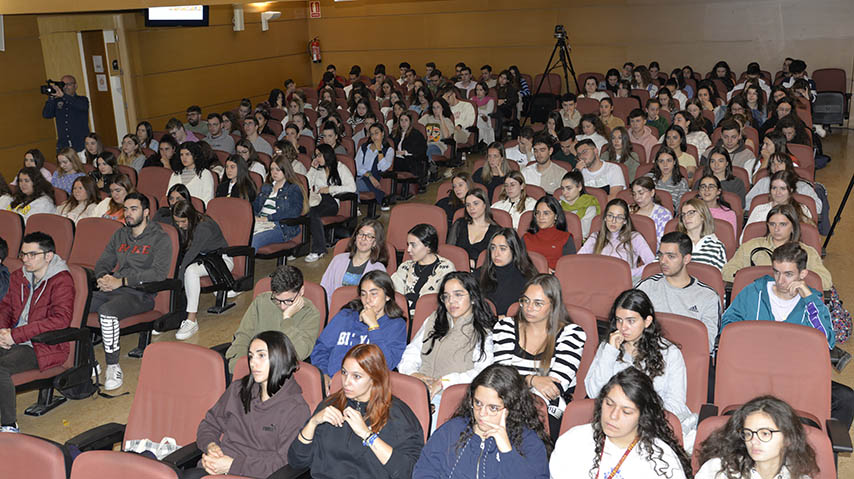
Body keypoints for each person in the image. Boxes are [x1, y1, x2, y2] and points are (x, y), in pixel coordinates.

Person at [721, 243, 854, 431]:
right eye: (776, 272)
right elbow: (728, 325)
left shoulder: (813, 303)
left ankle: (821, 449)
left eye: (788, 274)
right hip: (755, 372)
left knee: (846, 398)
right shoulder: (754, 292)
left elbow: (827, 340)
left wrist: (808, 298)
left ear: (803, 274)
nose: (780, 280)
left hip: (796, 377)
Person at [181, 331, 310, 479]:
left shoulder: (296, 409)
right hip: (217, 468)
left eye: (261, 355)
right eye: (251, 356)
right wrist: (211, 446)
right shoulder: (238, 389)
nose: (253, 363)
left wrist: (232, 465)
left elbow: (284, 462)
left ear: (280, 358)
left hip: (257, 475)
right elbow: (209, 424)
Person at [289, 343, 424, 479]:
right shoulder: (330, 405)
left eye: (356, 376)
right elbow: (296, 461)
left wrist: (367, 435)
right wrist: (312, 423)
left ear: (375, 378)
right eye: (344, 373)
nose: (346, 382)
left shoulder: (398, 415)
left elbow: (408, 472)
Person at [584, 289, 697, 448]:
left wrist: (637, 419)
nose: (623, 327)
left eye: (631, 321)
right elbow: (594, 392)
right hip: (614, 424)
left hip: (655, 427)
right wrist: (610, 353)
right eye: (619, 320)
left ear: (647, 321)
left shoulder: (670, 353)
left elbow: (676, 404)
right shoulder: (609, 348)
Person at [91, 193, 172, 390]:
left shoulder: (160, 238)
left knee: (107, 312)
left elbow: (159, 274)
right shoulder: (120, 234)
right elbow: (104, 260)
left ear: (146, 212)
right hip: (114, 287)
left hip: (140, 293)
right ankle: (88, 362)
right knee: (75, 304)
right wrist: (103, 277)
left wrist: (123, 281)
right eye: (125, 209)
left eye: (133, 209)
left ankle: (112, 365)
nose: (128, 213)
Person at [412, 364, 551, 479]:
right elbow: (425, 471)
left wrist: (507, 451)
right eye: (478, 403)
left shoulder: (529, 442)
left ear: (512, 407)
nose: (482, 414)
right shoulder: (451, 431)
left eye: (493, 408)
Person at [551, 367, 691, 479]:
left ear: (643, 416)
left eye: (626, 411)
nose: (613, 416)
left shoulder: (661, 460)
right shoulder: (573, 441)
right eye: (609, 404)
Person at [398, 272, 495, 426]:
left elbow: (482, 372)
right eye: (446, 296)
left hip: (450, 398)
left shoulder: (483, 331)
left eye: (458, 295)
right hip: (418, 390)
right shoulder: (434, 319)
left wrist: (443, 382)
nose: (451, 301)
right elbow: (412, 352)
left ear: (473, 297)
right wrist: (413, 373)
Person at [0, 233, 74, 433]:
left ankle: (9, 425)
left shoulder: (62, 280)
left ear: (48, 256)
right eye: (23, 254)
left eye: (32, 254)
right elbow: (6, 307)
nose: (26, 259)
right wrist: (3, 330)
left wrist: (16, 336)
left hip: (43, 345)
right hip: (14, 338)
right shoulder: (19, 275)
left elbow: (60, 320)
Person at [493, 275, 586, 431]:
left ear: (553, 305)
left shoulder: (571, 333)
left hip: (549, 408)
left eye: (538, 303)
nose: (529, 308)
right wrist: (532, 380)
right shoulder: (506, 326)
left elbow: (554, 386)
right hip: (505, 402)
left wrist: (518, 380)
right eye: (525, 301)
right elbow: (500, 377)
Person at [311, 271, 407, 382]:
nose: (368, 300)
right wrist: (324, 373)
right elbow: (321, 348)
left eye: (374, 293)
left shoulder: (396, 325)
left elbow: (386, 365)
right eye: (363, 294)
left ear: (387, 296)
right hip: (333, 382)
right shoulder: (346, 315)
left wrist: (373, 326)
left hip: (367, 388)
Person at [694, 395, 819, 479]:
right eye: (748, 433)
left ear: (788, 438)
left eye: (765, 433)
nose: (753, 441)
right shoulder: (717, 470)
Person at [637, 231, 721, 349]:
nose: (663, 261)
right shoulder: (646, 286)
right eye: (660, 255)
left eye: (671, 256)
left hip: (687, 359)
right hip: (648, 354)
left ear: (686, 259)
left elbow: (707, 344)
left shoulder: (708, 297)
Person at [724, 204, 831, 290]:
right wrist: (754, 278)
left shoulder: (807, 252)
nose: (776, 229)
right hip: (756, 297)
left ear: (793, 227)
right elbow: (727, 272)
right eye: (772, 224)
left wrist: (795, 281)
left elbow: (825, 282)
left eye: (783, 224)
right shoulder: (751, 246)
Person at [166, 200, 232, 340]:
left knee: (189, 271)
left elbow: (189, 256)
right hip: (205, 259)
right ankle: (168, 314)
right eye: (177, 222)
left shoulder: (203, 227)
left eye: (183, 221)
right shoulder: (188, 224)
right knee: (181, 268)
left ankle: (191, 319)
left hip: (221, 261)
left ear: (190, 216)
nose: (180, 225)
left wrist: (175, 284)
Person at [304, 144, 357, 263]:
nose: (317, 158)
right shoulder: (318, 169)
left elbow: (352, 187)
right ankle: (302, 247)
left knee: (313, 214)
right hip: (317, 199)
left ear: (326, 155)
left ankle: (318, 249)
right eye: (316, 155)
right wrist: (312, 168)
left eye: (319, 155)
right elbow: (305, 183)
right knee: (307, 213)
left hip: (331, 201)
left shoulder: (340, 167)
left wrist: (330, 189)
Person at [579, 199, 655, 282]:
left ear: (625, 221)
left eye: (619, 217)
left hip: (623, 282)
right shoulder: (595, 237)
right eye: (610, 216)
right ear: (605, 218)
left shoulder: (635, 238)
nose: (613, 221)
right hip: (597, 281)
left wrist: (629, 273)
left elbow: (651, 264)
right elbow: (578, 261)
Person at [391, 224, 456, 317]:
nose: (408, 250)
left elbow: (442, 302)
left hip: (431, 319)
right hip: (402, 317)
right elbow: (394, 296)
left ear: (428, 247)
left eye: (413, 245)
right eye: (408, 245)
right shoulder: (405, 267)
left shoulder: (446, 268)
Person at [320, 219, 389, 305]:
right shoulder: (338, 260)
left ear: (375, 243)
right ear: (355, 238)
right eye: (361, 234)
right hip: (334, 310)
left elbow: (376, 301)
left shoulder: (378, 268)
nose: (363, 238)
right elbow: (325, 289)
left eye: (369, 236)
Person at [251, 151, 308, 250]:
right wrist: (253, 217)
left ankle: (241, 265)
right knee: (237, 235)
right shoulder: (266, 187)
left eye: (278, 169)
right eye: (272, 169)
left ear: (285, 170)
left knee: (252, 240)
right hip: (260, 223)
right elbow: (255, 206)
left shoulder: (293, 188)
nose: (274, 173)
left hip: (280, 227)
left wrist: (268, 218)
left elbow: (294, 212)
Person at [474, 228, 538, 316]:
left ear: (514, 250)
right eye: (493, 248)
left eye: (502, 249)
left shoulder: (528, 277)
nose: (496, 254)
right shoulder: (479, 274)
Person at [745, 152, 821, 215]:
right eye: (773, 163)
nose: (776, 166)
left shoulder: (802, 185)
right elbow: (747, 204)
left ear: (788, 166)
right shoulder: (763, 182)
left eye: (780, 163)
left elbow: (817, 208)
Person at [447, 189, 501, 270]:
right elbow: (449, 252)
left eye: (476, 203)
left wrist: (473, 263)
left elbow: (496, 261)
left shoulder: (496, 231)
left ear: (485, 204)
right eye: (468, 205)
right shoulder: (459, 224)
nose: (471, 208)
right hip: (456, 270)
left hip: (481, 274)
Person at [523, 196, 577, 272]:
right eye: (537, 213)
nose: (541, 217)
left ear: (556, 216)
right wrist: (541, 269)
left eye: (546, 213)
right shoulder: (526, 237)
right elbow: (519, 262)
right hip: (528, 276)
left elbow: (569, 267)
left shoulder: (565, 238)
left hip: (553, 279)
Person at [744, 170, 812, 229]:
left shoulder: (803, 209)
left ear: (791, 190)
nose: (777, 192)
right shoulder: (759, 210)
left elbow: (809, 237)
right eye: (774, 188)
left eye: (782, 188)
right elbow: (745, 237)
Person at [677, 198, 728, 271]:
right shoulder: (674, 243)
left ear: (702, 216)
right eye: (683, 214)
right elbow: (657, 269)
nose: (686, 217)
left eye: (691, 213)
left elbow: (718, 278)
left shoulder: (716, 246)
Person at [42, 74, 89, 151]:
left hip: (80, 144)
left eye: (68, 84)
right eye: (63, 85)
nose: (66, 87)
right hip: (63, 145)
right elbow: (46, 114)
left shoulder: (82, 100)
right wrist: (51, 98)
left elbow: (82, 107)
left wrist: (63, 96)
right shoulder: (57, 101)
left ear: (75, 86)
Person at [355, 123, 394, 210]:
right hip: (363, 177)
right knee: (352, 182)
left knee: (352, 184)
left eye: (377, 133)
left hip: (376, 178)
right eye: (372, 134)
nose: (374, 136)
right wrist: (370, 176)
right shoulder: (364, 147)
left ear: (382, 133)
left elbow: (384, 168)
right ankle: (381, 196)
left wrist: (379, 150)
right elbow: (357, 166)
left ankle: (354, 208)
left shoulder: (389, 150)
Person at [630, 176, 673, 245]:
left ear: (652, 192)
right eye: (634, 194)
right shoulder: (629, 210)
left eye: (641, 193)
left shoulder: (664, 215)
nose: (637, 198)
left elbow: (662, 244)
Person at [391, 112, 429, 190]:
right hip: (397, 160)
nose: (403, 123)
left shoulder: (416, 134)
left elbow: (421, 150)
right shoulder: (395, 133)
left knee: (393, 161)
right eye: (401, 120)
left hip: (411, 162)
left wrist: (405, 152)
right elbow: (388, 145)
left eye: (406, 120)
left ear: (410, 122)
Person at [559, 170, 600, 238]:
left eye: (569, 188)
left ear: (579, 187)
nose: (564, 193)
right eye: (563, 189)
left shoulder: (590, 207)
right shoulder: (559, 204)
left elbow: (583, 232)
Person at [647, 146, 689, 210]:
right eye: (661, 161)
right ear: (657, 163)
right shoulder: (648, 178)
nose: (665, 164)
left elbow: (681, 208)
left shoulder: (682, 183)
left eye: (669, 161)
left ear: (674, 162)